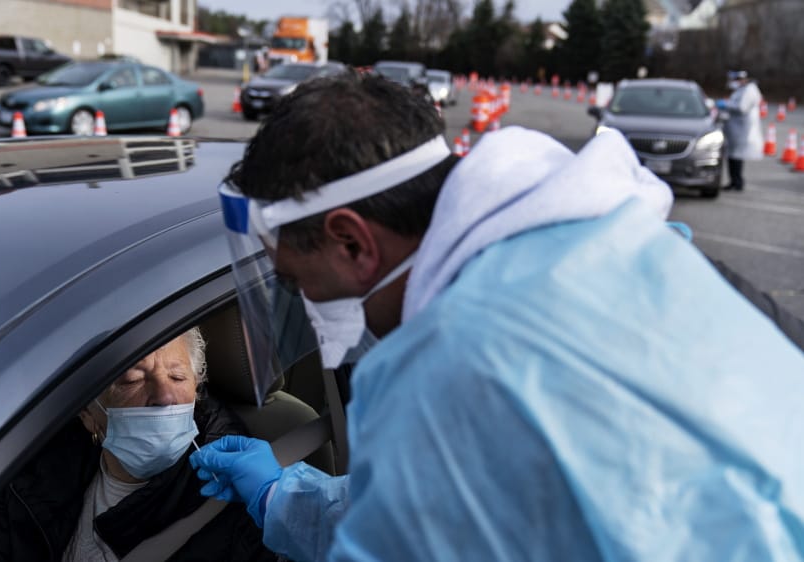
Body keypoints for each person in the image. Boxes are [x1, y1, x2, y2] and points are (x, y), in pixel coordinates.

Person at [191, 73, 804, 561]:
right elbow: (461, 507)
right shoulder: (637, 248)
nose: (306, 302)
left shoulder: (448, 366)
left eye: (299, 282)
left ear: (352, 242)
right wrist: (283, 499)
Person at [0, 328, 277, 562]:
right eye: (132, 380)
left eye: (178, 377)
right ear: (91, 415)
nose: (164, 396)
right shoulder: (35, 466)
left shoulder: (238, 492)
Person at [718, 70, 763, 190]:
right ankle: (734, 181)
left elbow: (742, 107)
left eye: (735, 80)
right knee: (733, 156)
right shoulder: (743, 89)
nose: (733, 83)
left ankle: (737, 182)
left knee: (736, 156)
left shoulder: (749, 90)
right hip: (735, 128)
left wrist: (725, 104)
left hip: (741, 129)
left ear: (742, 79)